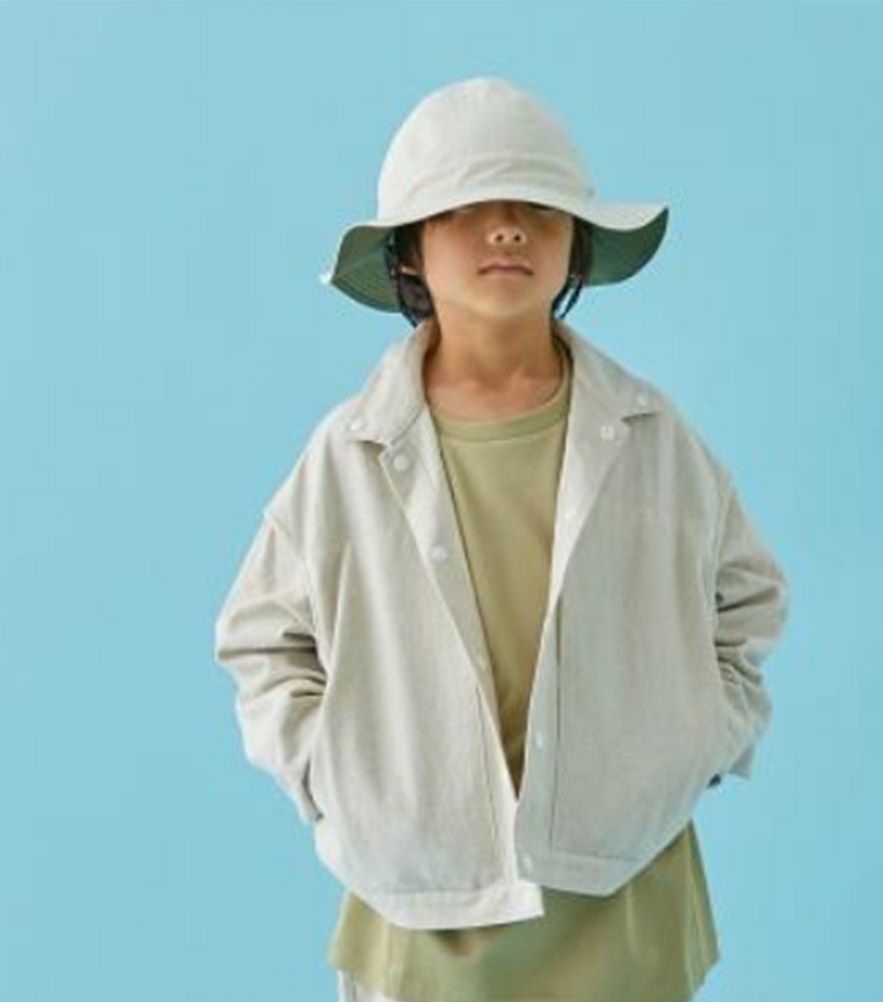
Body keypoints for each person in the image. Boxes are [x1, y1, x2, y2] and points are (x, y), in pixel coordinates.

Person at [213, 76, 790, 1002]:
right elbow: (261, 639)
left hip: (624, 893)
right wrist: (340, 776)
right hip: (421, 904)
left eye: (539, 209)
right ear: (409, 250)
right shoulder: (349, 454)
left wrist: (694, 741)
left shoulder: (652, 435)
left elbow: (748, 599)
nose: (509, 230)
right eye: (466, 209)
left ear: (577, 246)